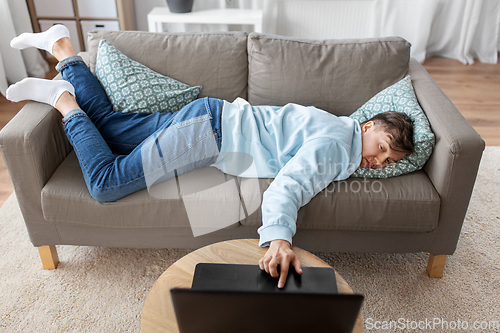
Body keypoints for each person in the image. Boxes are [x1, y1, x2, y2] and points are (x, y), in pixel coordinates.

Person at [7, 26, 414, 288]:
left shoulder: (336, 129)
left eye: (388, 161)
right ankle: (64, 101)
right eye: (381, 147)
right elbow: (289, 186)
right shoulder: (337, 146)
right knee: (105, 183)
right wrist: (280, 239)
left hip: (211, 117)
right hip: (207, 136)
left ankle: (63, 49)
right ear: (367, 125)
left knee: (110, 130)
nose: (378, 162)